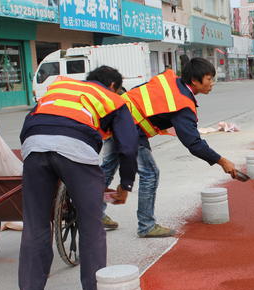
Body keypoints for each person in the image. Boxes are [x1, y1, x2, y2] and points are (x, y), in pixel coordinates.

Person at [18, 66, 138, 290]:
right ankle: (92, 288)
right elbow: (128, 146)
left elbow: (30, 122)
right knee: (90, 220)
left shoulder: (60, 88)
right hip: (76, 150)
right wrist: (125, 184)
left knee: (35, 221)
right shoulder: (114, 99)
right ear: (113, 85)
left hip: (34, 145)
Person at [101, 57, 237, 238]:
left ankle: (91, 210)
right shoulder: (181, 104)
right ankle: (146, 225)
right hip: (129, 127)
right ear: (195, 81)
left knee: (108, 168)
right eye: (209, 79)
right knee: (150, 173)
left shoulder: (170, 79)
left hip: (115, 114)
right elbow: (193, 143)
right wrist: (222, 161)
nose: (212, 83)